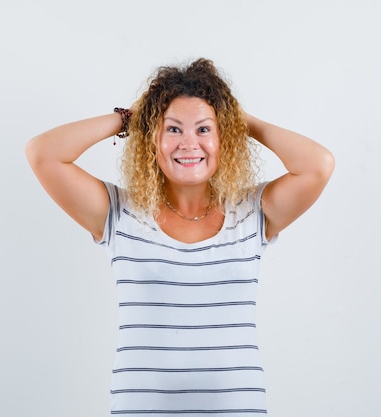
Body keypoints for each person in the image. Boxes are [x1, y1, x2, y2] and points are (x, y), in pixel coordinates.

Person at [26, 58, 334, 416]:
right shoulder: (119, 212)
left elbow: (318, 165)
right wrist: (128, 118)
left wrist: (238, 118)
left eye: (204, 129)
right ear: (152, 139)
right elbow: (42, 153)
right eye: (173, 129)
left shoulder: (252, 212)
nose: (189, 143)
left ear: (224, 139)